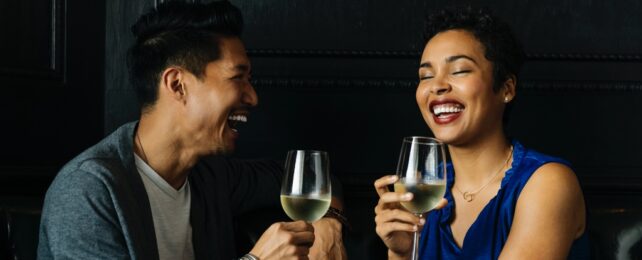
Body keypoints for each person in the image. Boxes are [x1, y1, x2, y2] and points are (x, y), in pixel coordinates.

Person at [37, 1, 346, 259]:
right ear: (177, 84)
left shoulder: (212, 176)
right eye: (238, 77)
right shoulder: (87, 191)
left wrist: (327, 222)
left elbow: (316, 181)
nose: (253, 97)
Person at [374, 6, 589, 259]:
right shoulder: (423, 194)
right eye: (426, 75)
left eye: (459, 71)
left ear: (506, 88)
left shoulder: (548, 183)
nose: (437, 86)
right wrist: (402, 252)